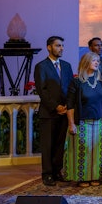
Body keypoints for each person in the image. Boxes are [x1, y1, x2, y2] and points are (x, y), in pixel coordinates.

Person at [65, 52, 102, 186]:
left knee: (97, 151)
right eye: (94, 61)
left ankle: (95, 176)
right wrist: (71, 123)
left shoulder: (101, 82)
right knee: (82, 150)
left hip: (99, 122)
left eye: (98, 61)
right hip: (82, 122)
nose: (97, 63)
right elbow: (70, 104)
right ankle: (82, 178)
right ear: (86, 62)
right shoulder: (77, 82)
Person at [34, 36, 73, 186]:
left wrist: (67, 107)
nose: (61, 48)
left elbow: (70, 88)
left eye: (62, 46)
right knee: (48, 145)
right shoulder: (41, 66)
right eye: (58, 46)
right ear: (49, 47)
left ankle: (57, 171)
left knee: (60, 144)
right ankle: (47, 174)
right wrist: (56, 106)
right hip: (49, 113)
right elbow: (42, 90)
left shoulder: (67, 66)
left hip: (64, 112)